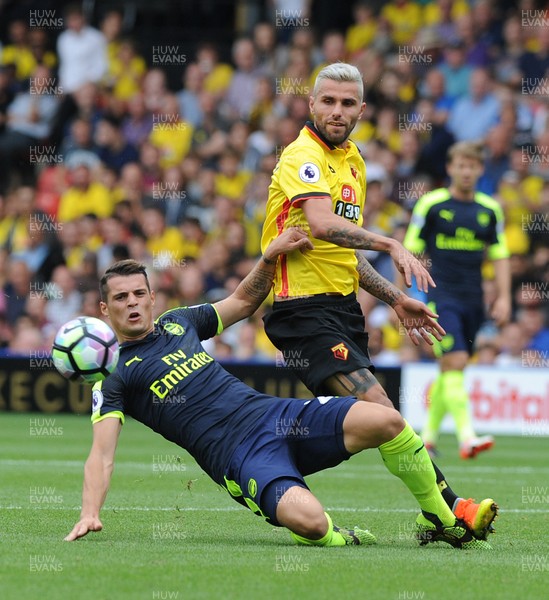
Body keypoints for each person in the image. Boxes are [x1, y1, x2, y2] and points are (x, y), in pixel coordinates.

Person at [65, 229, 493, 549]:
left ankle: (441, 515)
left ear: (152, 297)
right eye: (121, 298)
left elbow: (242, 302)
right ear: (104, 310)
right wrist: (90, 513)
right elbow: (101, 454)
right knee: (309, 522)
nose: (133, 303)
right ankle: (341, 539)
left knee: (387, 418)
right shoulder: (114, 375)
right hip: (239, 457)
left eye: (139, 293)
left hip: (279, 417)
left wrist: (269, 257)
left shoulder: (180, 322)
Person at [260, 62, 496, 531]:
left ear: (362, 110)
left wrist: (393, 298)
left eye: (347, 103)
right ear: (311, 104)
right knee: (381, 410)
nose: (337, 110)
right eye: (327, 100)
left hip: (343, 309)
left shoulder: (354, 161)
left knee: (369, 422)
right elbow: (325, 225)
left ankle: (270, 460)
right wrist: (390, 243)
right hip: (301, 310)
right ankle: (449, 513)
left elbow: (343, 251)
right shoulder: (301, 156)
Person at [404, 141, 511, 458]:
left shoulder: (489, 209)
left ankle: (428, 438)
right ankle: (467, 437)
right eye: (460, 165)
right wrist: (405, 297)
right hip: (440, 298)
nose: (466, 171)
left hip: (474, 302)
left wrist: (504, 297)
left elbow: (500, 256)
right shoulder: (431, 205)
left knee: (451, 369)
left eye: (472, 166)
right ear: (450, 168)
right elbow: (410, 251)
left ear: (480, 170)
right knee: (456, 362)